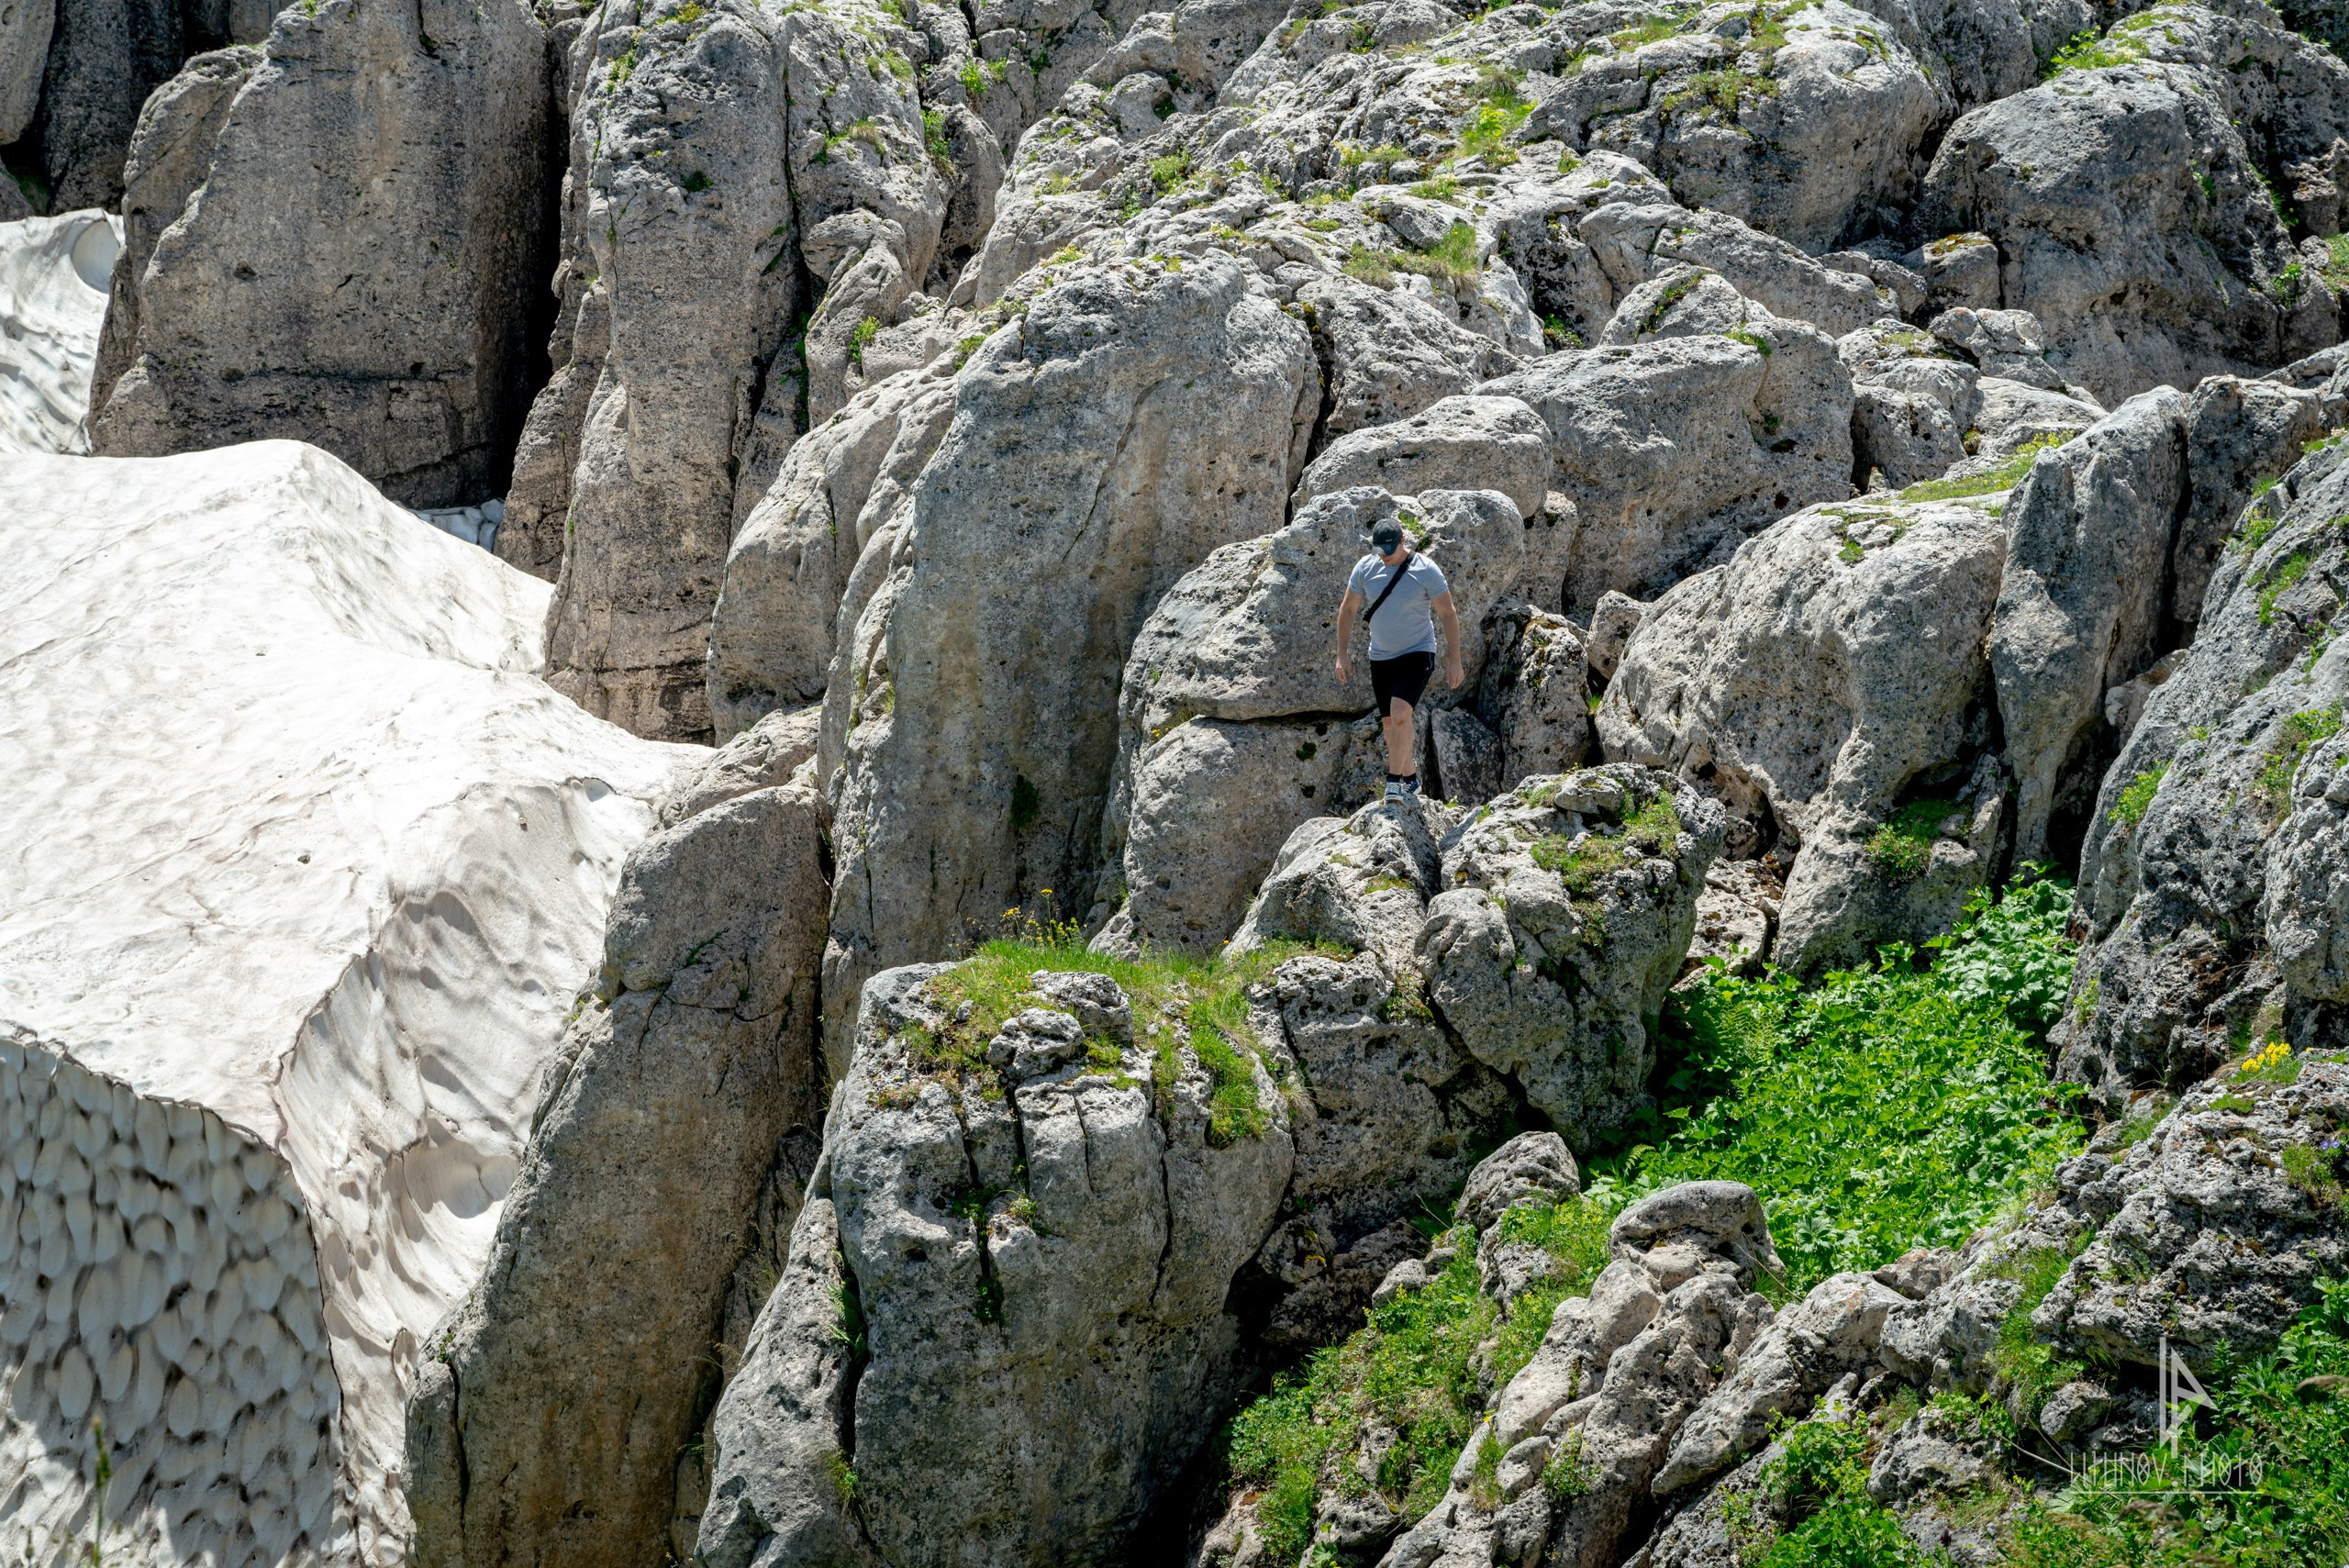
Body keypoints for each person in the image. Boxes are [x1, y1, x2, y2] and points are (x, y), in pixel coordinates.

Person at [1334, 515, 1463, 803]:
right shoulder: (1365, 568)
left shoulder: (1425, 570)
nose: (1384, 558)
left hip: (1418, 651)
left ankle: (1394, 783)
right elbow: (1348, 609)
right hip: (1380, 656)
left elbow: (1447, 613)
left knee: (1402, 714)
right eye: (1379, 552)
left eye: (1389, 552)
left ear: (1403, 541)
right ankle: (1412, 780)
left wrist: (1455, 659)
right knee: (1390, 725)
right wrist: (1341, 655)